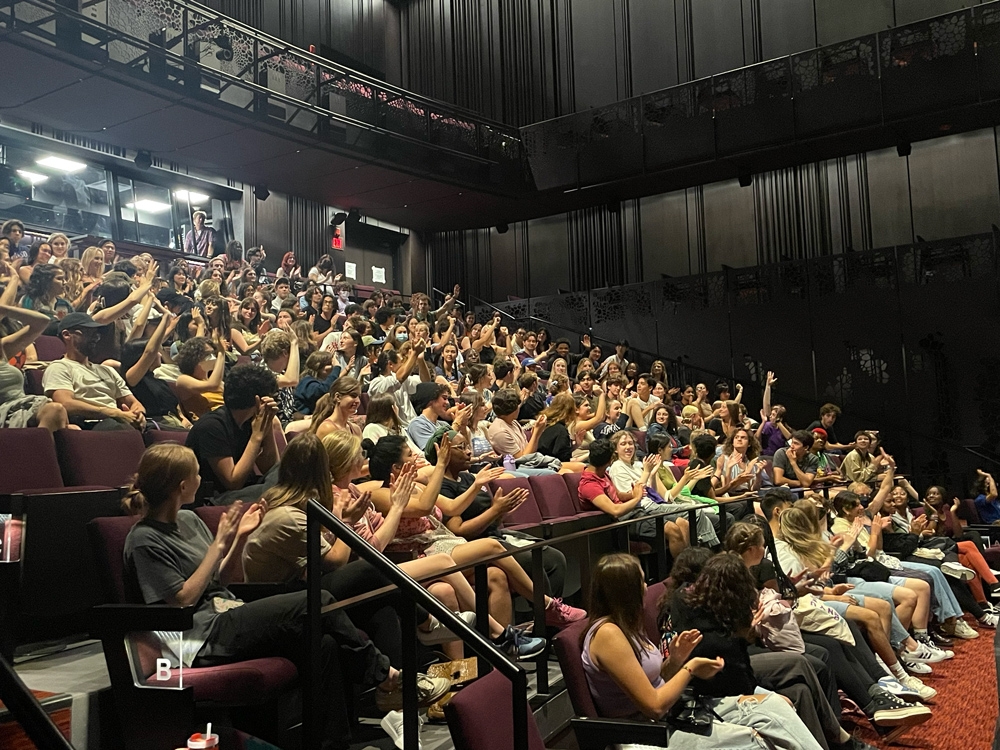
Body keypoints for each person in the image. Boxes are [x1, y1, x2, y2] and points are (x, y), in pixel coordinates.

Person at [122, 442, 448, 750]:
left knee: (324, 642)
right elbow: (181, 601)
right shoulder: (143, 539)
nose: (200, 479)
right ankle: (387, 675)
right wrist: (220, 544)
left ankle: (333, 744)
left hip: (229, 610)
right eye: (196, 473)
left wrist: (237, 541)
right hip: (198, 637)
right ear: (182, 486)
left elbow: (228, 579)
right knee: (314, 599)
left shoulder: (190, 519)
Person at [583, 552, 824, 750]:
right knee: (757, 741)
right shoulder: (608, 635)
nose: (646, 587)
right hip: (644, 733)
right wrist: (690, 667)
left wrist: (676, 658)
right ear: (627, 592)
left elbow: (658, 681)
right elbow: (653, 705)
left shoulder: (628, 626)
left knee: (775, 706)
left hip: (674, 713)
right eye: (641, 582)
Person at [352, 433, 548, 658]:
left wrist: (476, 485)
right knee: (491, 548)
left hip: (440, 546)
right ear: (396, 467)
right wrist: (441, 464)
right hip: (419, 556)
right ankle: (541, 610)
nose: (416, 457)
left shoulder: (414, 484)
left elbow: (453, 508)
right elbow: (425, 507)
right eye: (410, 454)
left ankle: (500, 659)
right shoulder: (381, 494)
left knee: (495, 575)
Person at [431, 429, 585, 625]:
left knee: (556, 559)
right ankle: (544, 616)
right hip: (473, 545)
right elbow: (458, 530)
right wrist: (495, 510)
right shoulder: (443, 487)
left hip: (496, 535)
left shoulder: (469, 478)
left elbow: (491, 518)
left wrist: (502, 510)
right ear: (444, 452)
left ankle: (544, 622)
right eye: (461, 447)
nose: (468, 451)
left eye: (468, 446)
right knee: (532, 560)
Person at [185, 363, 281, 504]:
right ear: (258, 400)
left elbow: (270, 467)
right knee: (281, 491)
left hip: (244, 491)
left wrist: (267, 424)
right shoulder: (212, 426)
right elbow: (232, 482)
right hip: (215, 498)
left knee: (283, 473)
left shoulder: (252, 421)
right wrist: (256, 436)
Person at [42, 312, 146, 430]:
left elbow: (134, 403)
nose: (96, 338)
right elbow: (65, 403)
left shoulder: (107, 370)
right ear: (67, 335)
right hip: (89, 423)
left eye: (96, 334)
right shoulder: (59, 367)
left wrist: (137, 413)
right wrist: (111, 412)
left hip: (117, 422)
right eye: (88, 333)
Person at [0, 287, 69, 431]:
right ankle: (34, 450)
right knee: (55, 412)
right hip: (5, 411)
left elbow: (42, 322)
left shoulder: (2, 347)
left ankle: (35, 447)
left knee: (61, 417)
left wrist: (4, 309)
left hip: (23, 406)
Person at [119, 313, 190, 429]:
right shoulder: (133, 378)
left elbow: (177, 409)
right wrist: (164, 321)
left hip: (176, 424)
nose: (158, 354)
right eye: (157, 350)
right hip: (157, 426)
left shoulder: (160, 381)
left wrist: (184, 420)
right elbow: (150, 351)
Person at [368, 344, 429, 428]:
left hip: (414, 424)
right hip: (395, 428)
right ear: (390, 364)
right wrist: (414, 353)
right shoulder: (376, 383)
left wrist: (420, 359)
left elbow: (425, 381)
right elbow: (397, 380)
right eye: (402, 363)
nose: (404, 366)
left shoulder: (405, 381)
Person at [173, 337, 226, 419]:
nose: (212, 357)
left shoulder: (213, 380)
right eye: (208, 354)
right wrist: (221, 353)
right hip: (211, 421)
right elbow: (213, 385)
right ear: (195, 357)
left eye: (213, 353)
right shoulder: (183, 379)